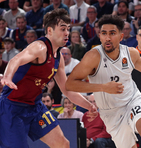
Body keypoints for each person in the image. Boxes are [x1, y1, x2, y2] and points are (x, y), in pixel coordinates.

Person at [66, 14, 141, 148]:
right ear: (100, 36)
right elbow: (70, 84)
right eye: (104, 33)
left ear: (120, 36)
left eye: (112, 33)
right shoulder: (93, 56)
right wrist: (103, 87)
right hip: (110, 113)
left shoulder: (130, 53)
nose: (108, 38)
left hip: (132, 101)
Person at [0, 8, 97, 148]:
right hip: (12, 108)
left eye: (68, 29)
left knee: (63, 144)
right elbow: (16, 59)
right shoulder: (39, 47)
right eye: (62, 29)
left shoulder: (59, 58)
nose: (67, 33)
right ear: (50, 31)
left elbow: (67, 90)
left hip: (35, 107)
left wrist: (89, 106)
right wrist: (8, 77)